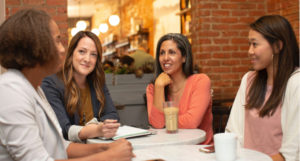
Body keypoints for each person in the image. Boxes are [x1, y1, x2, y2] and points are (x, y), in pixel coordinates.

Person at [0, 9, 134, 161]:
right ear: (36, 46)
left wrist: (106, 148)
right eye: (57, 41)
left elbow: (62, 147)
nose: (63, 49)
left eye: (93, 54)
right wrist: (109, 156)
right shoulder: (10, 91)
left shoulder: (34, 88)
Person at [225, 15, 299, 161]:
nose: (249, 51)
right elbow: (232, 131)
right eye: (249, 44)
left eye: (255, 44)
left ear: (278, 46)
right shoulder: (249, 79)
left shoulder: (296, 83)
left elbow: (292, 152)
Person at [41, 31, 120, 142]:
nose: (87, 59)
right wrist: (96, 129)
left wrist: (96, 127)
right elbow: (63, 129)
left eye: (93, 54)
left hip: (96, 147)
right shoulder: (51, 84)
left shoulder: (97, 81)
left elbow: (112, 115)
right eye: (82, 52)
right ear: (71, 53)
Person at [146, 33, 213, 145]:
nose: (165, 58)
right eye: (162, 53)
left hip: (199, 151)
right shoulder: (153, 88)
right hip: (169, 149)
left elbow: (192, 123)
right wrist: (159, 87)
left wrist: (165, 123)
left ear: (184, 57)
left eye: (172, 52)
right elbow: (157, 124)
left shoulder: (200, 81)